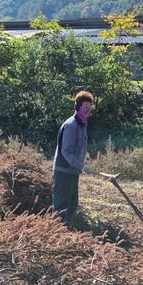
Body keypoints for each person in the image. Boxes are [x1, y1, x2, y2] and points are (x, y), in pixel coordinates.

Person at [52, 90, 113, 226]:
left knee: (73, 203)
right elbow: (66, 152)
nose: (87, 109)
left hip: (73, 172)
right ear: (77, 107)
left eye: (89, 107)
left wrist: (81, 165)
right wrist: (82, 166)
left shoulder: (82, 125)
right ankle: (55, 235)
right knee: (61, 207)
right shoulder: (71, 125)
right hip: (63, 171)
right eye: (84, 106)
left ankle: (68, 232)